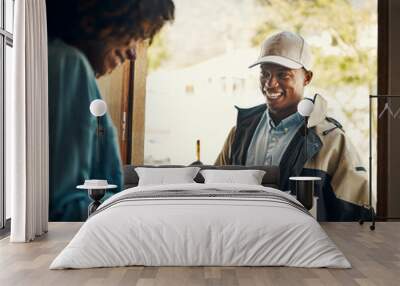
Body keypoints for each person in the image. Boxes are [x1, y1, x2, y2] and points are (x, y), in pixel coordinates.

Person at [215, 31, 368, 221]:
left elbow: (357, 218)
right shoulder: (239, 133)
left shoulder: (332, 141)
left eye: (283, 75)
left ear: (307, 78)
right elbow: (215, 196)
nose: (270, 83)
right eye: (265, 73)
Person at [46, 0, 175, 221]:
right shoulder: (68, 64)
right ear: (98, 19)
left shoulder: (65, 64)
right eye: (133, 35)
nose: (133, 54)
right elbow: (64, 206)